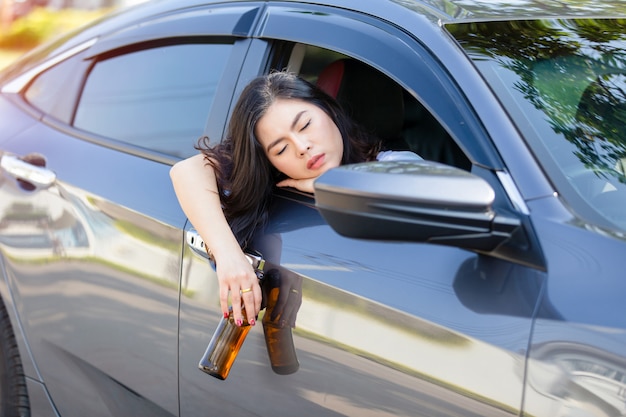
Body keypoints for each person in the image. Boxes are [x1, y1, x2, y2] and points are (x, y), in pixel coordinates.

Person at [170, 70, 420, 329]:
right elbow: (187, 170)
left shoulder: (394, 164)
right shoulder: (278, 190)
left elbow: (423, 195)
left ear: (328, 110)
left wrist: (332, 184)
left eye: (305, 125)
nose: (302, 146)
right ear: (270, 162)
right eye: (281, 148)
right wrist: (228, 257)